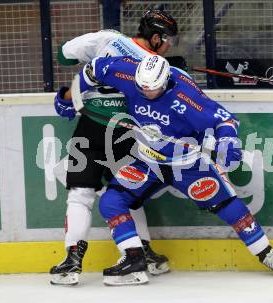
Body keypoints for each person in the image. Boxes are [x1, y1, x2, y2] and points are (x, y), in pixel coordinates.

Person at [75, 54, 273, 286]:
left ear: (166, 80)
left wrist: (228, 144)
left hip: (187, 165)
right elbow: (96, 66)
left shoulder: (185, 97)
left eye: (152, 89)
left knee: (228, 206)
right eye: (141, 88)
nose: (146, 93)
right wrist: (72, 97)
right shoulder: (128, 72)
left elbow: (225, 121)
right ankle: (134, 259)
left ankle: (266, 253)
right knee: (111, 201)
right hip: (147, 161)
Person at [50, 9, 179, 286]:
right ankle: (143, 254)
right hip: (125, 134)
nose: (169, 47)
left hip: (90, 127)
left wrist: (68, 94)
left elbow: (63, 55)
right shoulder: (155, 64)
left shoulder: (107, 38)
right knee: (126, 196)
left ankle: (71, 261)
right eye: (168, 40)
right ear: (156, 38)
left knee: (80, 195)